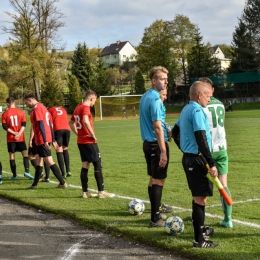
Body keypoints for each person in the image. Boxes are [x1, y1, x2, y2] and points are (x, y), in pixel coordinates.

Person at [172, 81, 219, 248]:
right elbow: (201, 138)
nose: (209, 99)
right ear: (199, 95)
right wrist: (211, 163)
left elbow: (175, 131)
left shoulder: (186, 109)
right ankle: (199, 240)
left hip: (190, 158)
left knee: (200, 197)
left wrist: (183, 148)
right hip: (197, 159)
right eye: (207, 96)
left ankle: (200, 230)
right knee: (200, 199)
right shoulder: (198, 111)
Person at [139, 66, 172, 228]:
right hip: (156, 145)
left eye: (166, 78)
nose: (166, 81)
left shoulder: (145, 96)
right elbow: (157, 127)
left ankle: (156, 212)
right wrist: (163, 151)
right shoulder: (156, 99)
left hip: (147, 144)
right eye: (162, 78)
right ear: (153, 80)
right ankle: (155, 218)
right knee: (158, 180)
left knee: (153, 178)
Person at [199, 77, 233, 228]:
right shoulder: (220, 104)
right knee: (223, 185)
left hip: (208, 151)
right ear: (212, 89)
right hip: (222, 149)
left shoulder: (201, 106)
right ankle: (228, 219)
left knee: (200, 184)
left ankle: (198, 216)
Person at [69, 90, 114, 199]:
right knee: (97, 164)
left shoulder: (77, 107)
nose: (94, 103)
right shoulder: (85, 107)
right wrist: (92, 134)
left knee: (85, 165)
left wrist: (78, 133)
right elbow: (85, 120)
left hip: (81, 142)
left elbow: (70, 123)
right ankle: (101, 192)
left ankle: (85, 192)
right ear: (91, 98)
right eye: (95, 100)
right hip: (89, 142)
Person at [23, 93, 67, 189]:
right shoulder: (44, 108)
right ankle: (34, 185)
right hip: (42, 139)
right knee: (39, 161)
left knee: (49, 161)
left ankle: (62, 183)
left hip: (42, 139)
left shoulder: (37, 108)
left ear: (30, 100)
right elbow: (50, 125)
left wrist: (46, 140)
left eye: (26, 103)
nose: (26, 105)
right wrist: (53, 139)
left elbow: (42, 124)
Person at [1, 97, 34, 180]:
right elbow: (24, 125)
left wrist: (14, 133)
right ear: (14, 102)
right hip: (20, 138)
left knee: (12, 156)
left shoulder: (5, 113)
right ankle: (27, 171)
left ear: (8, 103)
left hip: (11, 138)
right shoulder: (21, 112)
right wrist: (18, 134)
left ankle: (14, 175)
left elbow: (4, 127)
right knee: (25, 154)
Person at [48, 106, 72, 179]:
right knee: (65, 148)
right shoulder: (63, 109)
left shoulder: (49, 110)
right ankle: (68, 170)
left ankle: (63, 173)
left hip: (58, 129)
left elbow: (50, 123)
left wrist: (51, 136)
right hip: (67, 129)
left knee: (59, 150)